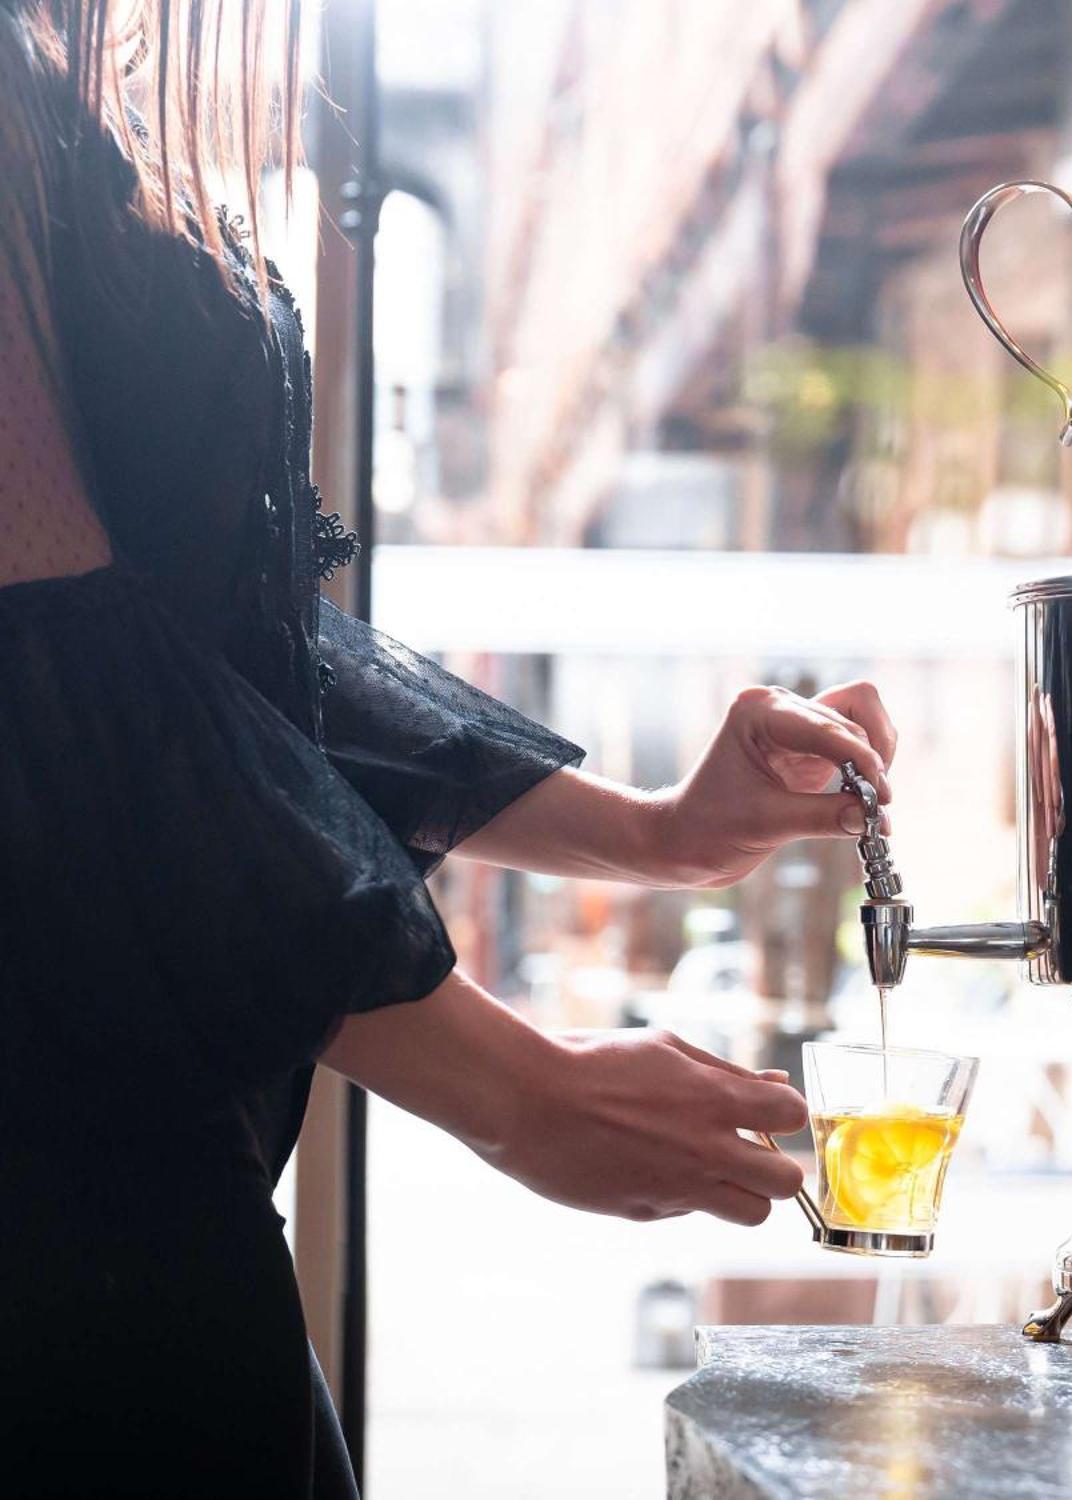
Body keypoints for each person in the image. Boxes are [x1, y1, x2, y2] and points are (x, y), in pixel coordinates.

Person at [0, 3, 895, 1493]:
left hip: (158, 1157)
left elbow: (235, 640)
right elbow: (57, 677)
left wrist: (648, 831)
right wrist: (511, 1084)